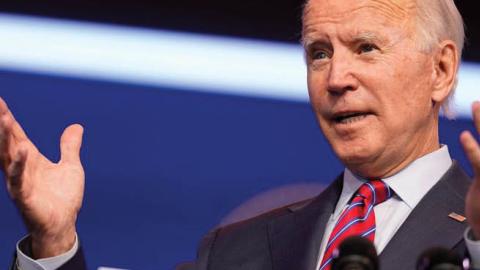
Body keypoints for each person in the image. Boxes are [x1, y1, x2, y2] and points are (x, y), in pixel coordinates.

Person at [1, 0, 480, 269]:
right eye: (319, 53)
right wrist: (54, 244)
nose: (336, 78)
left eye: (365, 48)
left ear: (440, 70)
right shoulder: (234, 250)